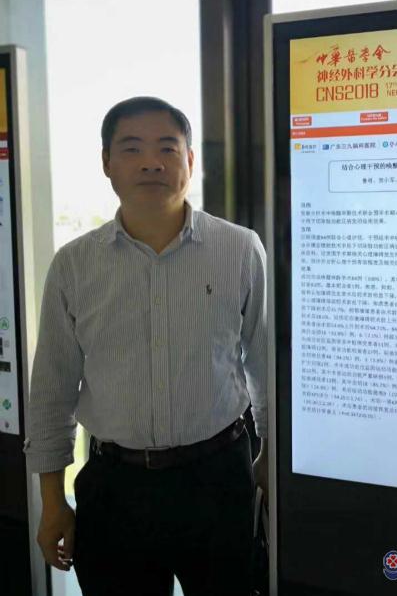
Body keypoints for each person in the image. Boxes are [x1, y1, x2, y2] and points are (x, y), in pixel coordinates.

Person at [24, 96, 268, 596]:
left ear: (190, 161)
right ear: (106, 162)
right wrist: (52, 502)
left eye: (167, 148)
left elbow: (264, 364)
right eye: (132, 148)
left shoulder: (241, 249)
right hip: (115, 488)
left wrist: (268, 466)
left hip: (218, 478)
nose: (151, 162)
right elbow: (51, 389)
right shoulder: (74, 265)